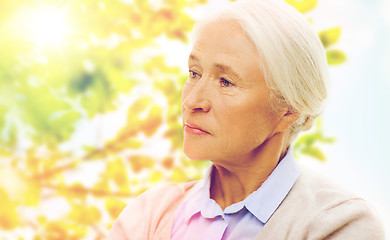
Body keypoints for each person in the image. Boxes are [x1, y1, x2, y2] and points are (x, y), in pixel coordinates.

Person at [108, 0, 385, 239]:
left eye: (226, 82)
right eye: (194, 73)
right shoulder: (147, 215)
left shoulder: (341, 224)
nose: (192, 102)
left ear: (288, 109)